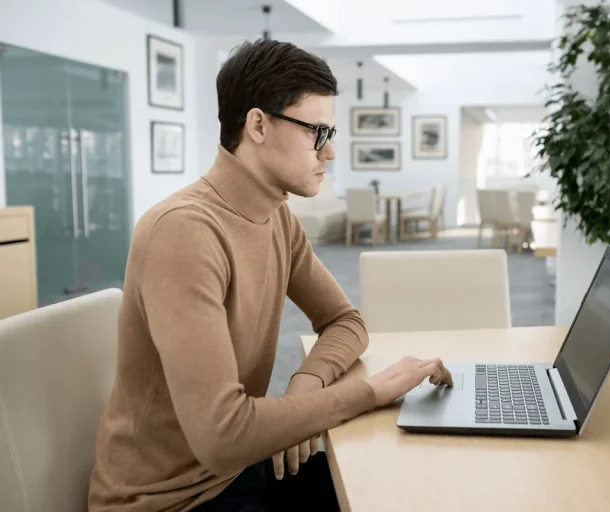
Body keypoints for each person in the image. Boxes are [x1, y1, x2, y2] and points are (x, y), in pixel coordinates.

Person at [87, 39, 453, 512]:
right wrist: (368, 392)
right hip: (171, 502)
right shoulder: (183, 231)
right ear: (258, 124)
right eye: (317, 133)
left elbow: (346, 321)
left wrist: (305, 387)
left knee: (403, 485)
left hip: (238, 470)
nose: (332, 152)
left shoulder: (278, 217)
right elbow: (222, 435)